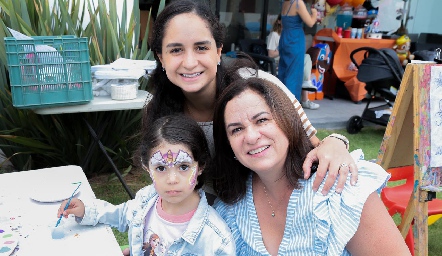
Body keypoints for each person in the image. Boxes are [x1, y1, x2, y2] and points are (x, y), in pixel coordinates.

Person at [144, 0, 357, 195]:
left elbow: (314, 145)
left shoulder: (258, 88)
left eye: (201, 48)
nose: (189, 62)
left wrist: (336, 142)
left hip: (278, 204)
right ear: (161, 58)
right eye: (176, 50)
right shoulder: (160, 112)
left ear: (218, 51)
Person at [212, 77, 411, 256]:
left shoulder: (341, 187)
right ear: (228, 146)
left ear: (287, 121)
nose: (251, 136)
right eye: (236, 129)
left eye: (262, 120)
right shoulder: (230, 210)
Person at [57, 115, 235, 256]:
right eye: (161, 167)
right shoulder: (145, 201)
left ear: (201, 166)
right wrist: (85, 210)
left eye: (183, 166)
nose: (172, 179)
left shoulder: (215, 239)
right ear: (146, 167)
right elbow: (121, 215)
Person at [267, 14, 319, 110]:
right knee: (301, 65)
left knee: (305, 58)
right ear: (279, 21)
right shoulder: (274, 34)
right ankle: (304, 99)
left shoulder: (289, 34)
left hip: (289, 60)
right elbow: (270, 54)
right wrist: (284, 48)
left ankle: (306, 84)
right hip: (278, 62)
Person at [278, 0, 318, 106]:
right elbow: (310, 22)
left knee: (284, 71)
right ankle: (290, 106)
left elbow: (283, 23)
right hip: (295, 39)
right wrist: (314, 13)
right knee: (294, 73)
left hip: (285, 37)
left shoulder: (284, 2)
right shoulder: (298, 2)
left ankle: (281, 102)